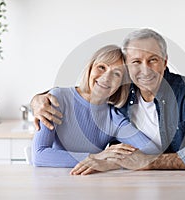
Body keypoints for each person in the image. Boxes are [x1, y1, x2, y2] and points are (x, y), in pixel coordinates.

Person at [31, 28, 185, 173]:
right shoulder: (121, 93)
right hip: (67, 181)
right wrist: (36, 100)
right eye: (136, 62)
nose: (145, 70)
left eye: (153, 60)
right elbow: (78, 96)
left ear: (165, 61)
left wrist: (143, 162)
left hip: (177, 183)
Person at [31, 45, 159, 175]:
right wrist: (97, 157)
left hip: (90, 186)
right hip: (52, 184)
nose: (106, 77)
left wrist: (110, 162)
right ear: (90, 69)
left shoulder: (113, 117)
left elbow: (152, 151)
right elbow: (39, 155)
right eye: (101, 67)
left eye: (116, 74)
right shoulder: (57, 99)